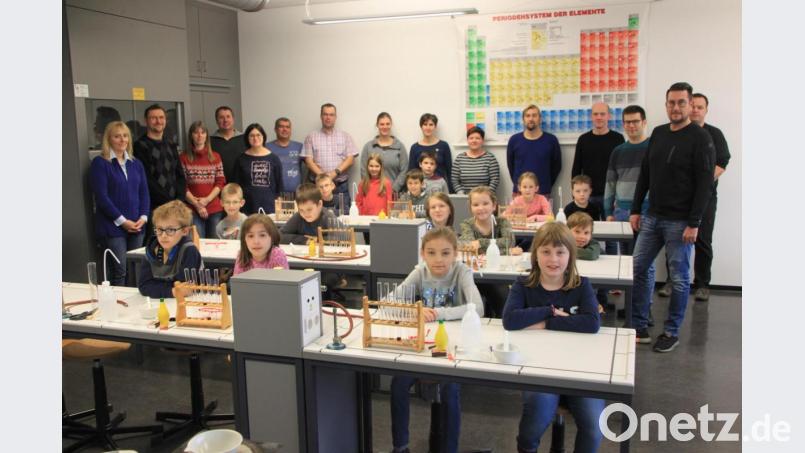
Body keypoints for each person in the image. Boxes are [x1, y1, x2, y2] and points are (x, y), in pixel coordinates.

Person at [502, 222, 603, 453]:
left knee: (594, 427)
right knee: (532, 426)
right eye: (545, 252)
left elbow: (591, 323)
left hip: (580, 370)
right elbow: (510, 320)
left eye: (560, 252)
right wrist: (550, 310)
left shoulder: (581, 285)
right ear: (535, 254)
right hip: (540, 370)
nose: (553, 259)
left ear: (571, 255)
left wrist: (544, 323)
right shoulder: (523, 284)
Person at [630, 82, 715, 352]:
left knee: (679, 278)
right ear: (666, 104)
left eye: (681, 102)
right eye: (671, 102)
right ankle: (640, 325)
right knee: (638, 268)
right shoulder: (658, 133)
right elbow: (646, 173)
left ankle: (671, 331)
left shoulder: (701, 138)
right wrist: (635, 209)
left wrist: (694, 222)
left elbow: (705, 184)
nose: (675, 107)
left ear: (690, 105)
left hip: (681, 222)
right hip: (652, 216)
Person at [389, 227, 483, 453]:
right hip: (425, 343)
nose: (438, 259)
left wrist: (438, 313)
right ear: (422, 253)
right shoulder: (420, 272)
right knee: (398, 383)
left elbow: (478, 308)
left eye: (445, 253)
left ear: (455, 254)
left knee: (450, 389)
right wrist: (415, 311)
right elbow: (390, 301)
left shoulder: (462, 272)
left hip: (454, 345)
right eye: (431, 253)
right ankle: (400, 446)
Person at [89, 121, 150, 286]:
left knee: (136, 271)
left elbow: (144, 193)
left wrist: (143, 217)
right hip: (112, 228)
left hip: (137, 226)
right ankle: (117, 307)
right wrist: (123, 221)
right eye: (117, 136)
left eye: (125, 136)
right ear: (109, 139)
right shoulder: (100, 164)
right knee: (119, 271)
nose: (122, 140)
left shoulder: (136, 164)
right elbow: (102, 198)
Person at [688, 93, 731, 302]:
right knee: (674, 239)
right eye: (693, 106)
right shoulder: (679, 133)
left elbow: (723, 161)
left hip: (706, 197)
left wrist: (702, 182)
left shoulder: (715, 134)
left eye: (700, 107)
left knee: (703, 239)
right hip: (680, 199)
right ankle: (671, 281)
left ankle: (702, 284)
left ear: (706, 110)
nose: (695, 110)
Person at [459, 186, 521, 317]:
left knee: (504, 302)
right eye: (476, 204)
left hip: (497, 275)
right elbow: (469, 245)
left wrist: (481, 243)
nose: (481, 208)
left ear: (494, 205)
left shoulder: (502, 222)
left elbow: (508, 241)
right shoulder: (467, 224)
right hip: (474, 277)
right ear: (471, 208)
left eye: (485, 203)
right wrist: (506, 250)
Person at [604, 105, 650, 255]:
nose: (631, 125)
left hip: (646, 211)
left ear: (644, 122)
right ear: (623, 124)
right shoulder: (618, 151)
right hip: (622, 212)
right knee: (625, 259)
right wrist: (609, 212)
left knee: (644, 261)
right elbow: (610, 183)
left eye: (635, 121)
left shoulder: (653, 147)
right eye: (627, 122)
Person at [138, 200, 203, 298]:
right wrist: (172, 291)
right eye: (159, 229)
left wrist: (157, 288)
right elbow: (144, 286)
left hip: (194, 302)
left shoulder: (189, 250)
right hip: (165, 302)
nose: (163, 235)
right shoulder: (151, 250)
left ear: (185, 231)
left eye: (170, 230)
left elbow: (186, 289)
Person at [133, 104, 187, 221]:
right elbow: (147, 180)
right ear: (146, 121)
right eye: (154, 118)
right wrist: (169, 202)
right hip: (154, 208)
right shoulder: (140, 146)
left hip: (175, 207)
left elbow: (179, 174)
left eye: (161, 117)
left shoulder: (171, 144)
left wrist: (179, 200)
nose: (158, 121)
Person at [571, 102, 625, 211]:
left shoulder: (618, 138)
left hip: (611, 195)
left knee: (610, 227)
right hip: (587, 195)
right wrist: (575, 194)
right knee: (586, 227)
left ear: (609, 116)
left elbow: (622, 170)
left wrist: (620, 195)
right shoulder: (583, 139)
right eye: (595, 114)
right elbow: (576, 168)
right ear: (591, 116)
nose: (599, 117)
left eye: (602, 114)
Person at [302, 103, 359, 206]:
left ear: (335, 117)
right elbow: (308, 161)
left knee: (343, 217)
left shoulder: (345, 136)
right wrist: (323, 177)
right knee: (316, 217)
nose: (328, 117)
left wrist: (334, 173)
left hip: (340, 186)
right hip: (318, 187)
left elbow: (350, 159)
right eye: (325, 114)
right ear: (321, 116)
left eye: (331, 115)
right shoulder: (311, 137)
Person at [180, 121, 226, 239]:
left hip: (214, 208)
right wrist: (197, 205)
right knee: (197, 244)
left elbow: (220, 182)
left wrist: (206, 200)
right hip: (192, 209)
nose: (200, 135)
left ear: (207, 136)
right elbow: (181, 186)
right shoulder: (183, 157)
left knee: (216, 245)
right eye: (196, 132)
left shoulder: (216, 156)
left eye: (203, 132)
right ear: (191, 135)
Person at [506, 104, 562, 198]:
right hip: (520, 193)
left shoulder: (551, 140)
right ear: (523, 119)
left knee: (545, 214)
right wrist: (520, 185)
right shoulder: (514, 140)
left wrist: (545, 184)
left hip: (543, 192)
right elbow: (511, 166)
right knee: (518, 214)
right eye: (527, 116)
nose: (531, 119)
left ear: (540, 119)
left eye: (534, 115)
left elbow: (556, 167)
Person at [234, 123, 284, 214]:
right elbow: (236, 185)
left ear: (263, 136)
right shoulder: (241, 159)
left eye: (258, 135)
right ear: (247, 138)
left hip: (269, 205)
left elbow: (279, 185)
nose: (255, 138)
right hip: (247, 206)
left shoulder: (273, 158)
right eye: (252, 136)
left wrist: (279, 205)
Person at [568, 211, 607, 312]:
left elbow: (591, 254)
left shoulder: (594, 244)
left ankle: (596, 303)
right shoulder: (563, 242)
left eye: (586, 233)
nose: (582, 236)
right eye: (577, 232)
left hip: (591, 281)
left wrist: (570, 250)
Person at [360, 112, 408, 193]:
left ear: (391, 125)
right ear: (377, 125)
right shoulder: (368, 147)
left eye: (387, 124)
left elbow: (404, 171)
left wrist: (392, 189)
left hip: (395, 193)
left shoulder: (399, 147)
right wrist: (372, 189)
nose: (385, 127)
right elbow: (364, 171)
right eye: (382, 124)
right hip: (373, 193)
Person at [408, 113, 453, 192]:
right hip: (420, 190)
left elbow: (450, 171)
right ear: (421, 126)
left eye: (431, 125)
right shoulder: (415, 147)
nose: (428, 127)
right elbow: (411, 172)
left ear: (435, 127)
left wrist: (451, 192)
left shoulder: (443, 146)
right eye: (425, 124)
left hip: (439, 188)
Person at [451, 127, 500, 194]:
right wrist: (461, 194)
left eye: (477, 138)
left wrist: (485, 195)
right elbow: (454, 180)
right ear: (467, 140)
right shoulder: (460, 158)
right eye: (471, 138)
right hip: (464, 198)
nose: (474, 141)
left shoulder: (490, 158)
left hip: (484, 198)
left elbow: (495, 180)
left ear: (482, 141)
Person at [210, 106, 247, 184]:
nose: (225, 120)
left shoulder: (245, 138)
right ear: (216, 120)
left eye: (228, 116)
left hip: (242, 186)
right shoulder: (209, 141)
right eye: (221, 117)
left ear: (233, 119)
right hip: (217, 186)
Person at [266, 117, 304, 194]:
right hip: (274, 193)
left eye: (287, 127)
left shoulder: (300, 147)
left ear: (290, 130)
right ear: (275, 129)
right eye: (281, 127)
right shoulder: (266, 147)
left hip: (297, 193)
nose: (285, 129)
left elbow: (310, 163)